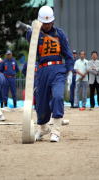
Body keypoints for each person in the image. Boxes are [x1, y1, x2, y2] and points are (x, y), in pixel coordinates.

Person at [26, 6, 73, 142]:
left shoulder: (60, 34)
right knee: (40, 102)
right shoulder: (35, 34)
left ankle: (56, 130)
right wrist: (33, 28)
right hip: (42, 71)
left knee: (58, 96)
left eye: (49, 23)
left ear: (53, 21)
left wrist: (69, 72)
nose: (46, 25)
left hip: (58, 69)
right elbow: (28, 37)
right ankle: (43, 128)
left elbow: (68, 55)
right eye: (44, 23)